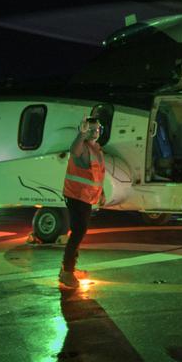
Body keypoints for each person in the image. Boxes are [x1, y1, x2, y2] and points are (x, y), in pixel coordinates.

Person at [59, 114, 105, 291]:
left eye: (98, 129)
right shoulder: (84, 147)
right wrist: (80, 134)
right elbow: (74, 151)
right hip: (76, 195)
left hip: (86, 196)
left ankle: (67, 268)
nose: (95, 133)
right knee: (78, 232)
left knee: (79, 231)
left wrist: (102, 192)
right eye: (91, 130)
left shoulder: (96, 148)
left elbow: (97, 175)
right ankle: (67, 271)